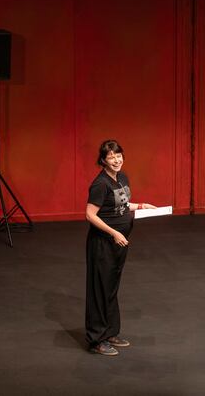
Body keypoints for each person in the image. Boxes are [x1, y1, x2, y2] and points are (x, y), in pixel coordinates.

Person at [85, 139, 155, 355]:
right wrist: (114, 232)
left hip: (119, 242)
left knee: (111, 287)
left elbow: (122, 204)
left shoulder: (122, 178)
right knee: (99, 289)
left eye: (118, 155)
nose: (116, 160)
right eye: (111, 157)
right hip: (103, 243)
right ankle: (96, 339)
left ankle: (110, 332)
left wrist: (141, 205)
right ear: (103, 160)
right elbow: (90, 214)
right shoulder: (100, 184)